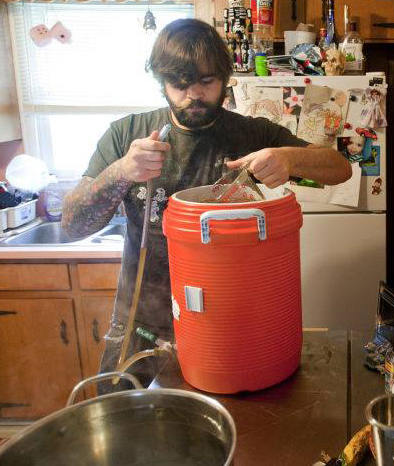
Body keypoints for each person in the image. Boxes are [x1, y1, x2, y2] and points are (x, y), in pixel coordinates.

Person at [61, 18, 352, 388]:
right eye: (179, 84)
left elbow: (340, 169)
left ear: (225, 78)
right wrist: (122, 171)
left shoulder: (250, 133)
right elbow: (73, 224)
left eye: (206, 81)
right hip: (142, 324)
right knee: (122, 417)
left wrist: (288, 158)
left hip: (227, 323)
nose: (194, 94)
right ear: (161, 82)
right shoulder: (126, 135)